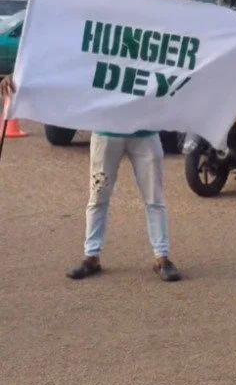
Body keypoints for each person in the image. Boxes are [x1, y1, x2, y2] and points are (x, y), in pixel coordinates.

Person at [0, 74, 181, 283]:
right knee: (98, 197)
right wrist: (23, 75)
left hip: (145, 131)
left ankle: (161, 257)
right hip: (107, 130)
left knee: (154, 198)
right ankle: (91, 256)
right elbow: (66, 61)